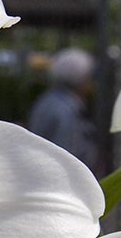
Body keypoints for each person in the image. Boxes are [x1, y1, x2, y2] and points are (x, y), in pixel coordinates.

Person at [27, 48, 102, 176]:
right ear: (80, 79)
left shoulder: (46, 100)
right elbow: (67, 157)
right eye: (88, 77)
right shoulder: (67, 110)